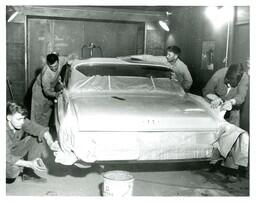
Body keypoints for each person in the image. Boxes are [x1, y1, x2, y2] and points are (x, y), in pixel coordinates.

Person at [6, 102, 60, 183]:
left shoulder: (21, 121)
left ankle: (28, 173)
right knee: (13, 170)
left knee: (38, 138)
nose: (22, 122)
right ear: (9, 117)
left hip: (12, 151)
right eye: (19, 119)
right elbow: (6, 157)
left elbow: (41, 130)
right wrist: (29, 164)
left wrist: (51, 143)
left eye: (23, 118)